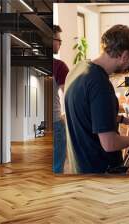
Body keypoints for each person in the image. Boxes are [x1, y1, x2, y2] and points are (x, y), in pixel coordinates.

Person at [63, 25, 129, 173]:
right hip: (100, 170)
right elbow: (109, 143)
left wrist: (122, 119)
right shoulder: (100, 84)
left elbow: (87, 114)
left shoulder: (78, 68)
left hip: (80, 166)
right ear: (124, 55)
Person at [53, 25, 69, 173]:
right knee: (57, 167)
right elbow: (69, 95)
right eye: (59, 40)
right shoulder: (59, 66)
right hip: (55, 121)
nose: (60, 43)